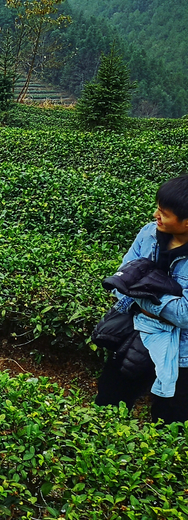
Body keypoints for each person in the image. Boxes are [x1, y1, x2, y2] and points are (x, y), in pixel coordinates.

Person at [95, 175, 188, 423]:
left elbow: (184, 314)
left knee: (171, 422)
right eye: (158, 207)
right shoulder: (149, 233)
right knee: (108, 402)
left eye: (164, 213)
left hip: (182, 351)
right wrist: (153, 301)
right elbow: (120, 282)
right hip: (137, 333)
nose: (156, 215)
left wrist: (142, 298)